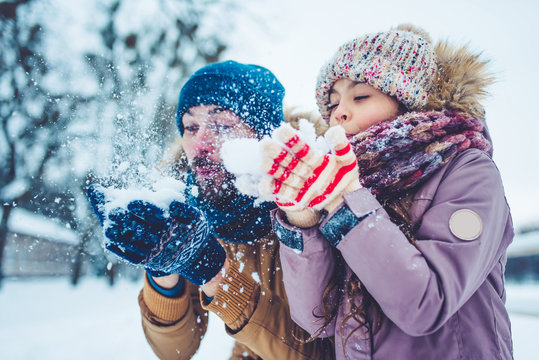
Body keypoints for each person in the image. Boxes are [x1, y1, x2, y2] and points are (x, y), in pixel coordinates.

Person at [258, 25, 514, 359]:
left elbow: (425, 305)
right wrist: (303, 218)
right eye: (332, 104)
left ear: (409, 102)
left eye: (360, 96)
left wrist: (344, 203)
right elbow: (316, 320)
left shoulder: (468, 172)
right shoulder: (350, 186)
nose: (339, 112)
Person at [87, 61, 334, 359]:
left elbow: (327, 352)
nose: (200, 143)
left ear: (262, 134)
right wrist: (163, 270)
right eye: (191, 127)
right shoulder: (192, 212)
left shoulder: (319, 205)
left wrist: (218, 277)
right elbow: (175, 350)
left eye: (223, 125)